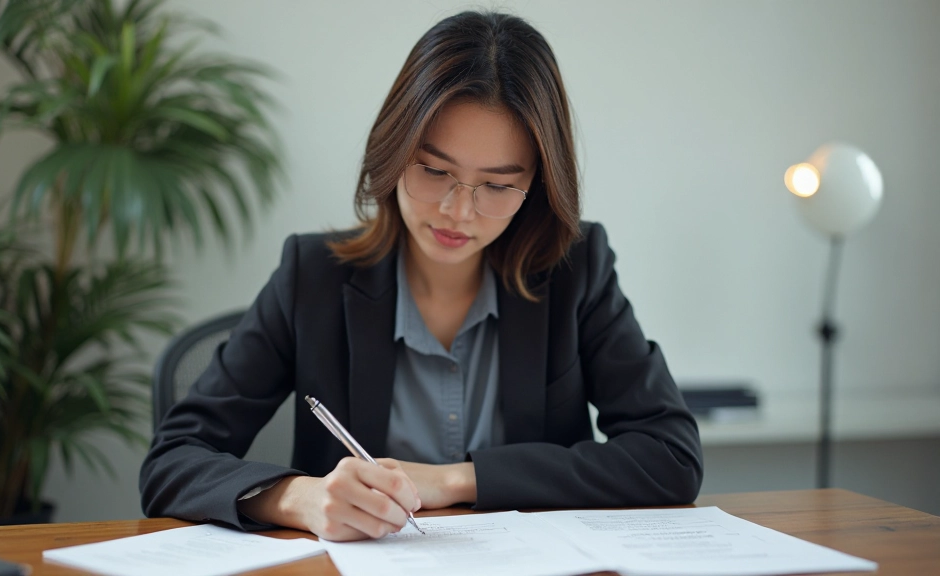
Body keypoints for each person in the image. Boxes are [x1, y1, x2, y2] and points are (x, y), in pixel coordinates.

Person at [140, 10, 703, 542]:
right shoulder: (311, 278)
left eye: (499, 186)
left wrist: (455, 479)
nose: (459, 211)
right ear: (392, 150)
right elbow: (171, 462)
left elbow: (671, 456)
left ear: (537, 187)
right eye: (435, 171)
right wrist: (296, 498)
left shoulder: (576, 270)